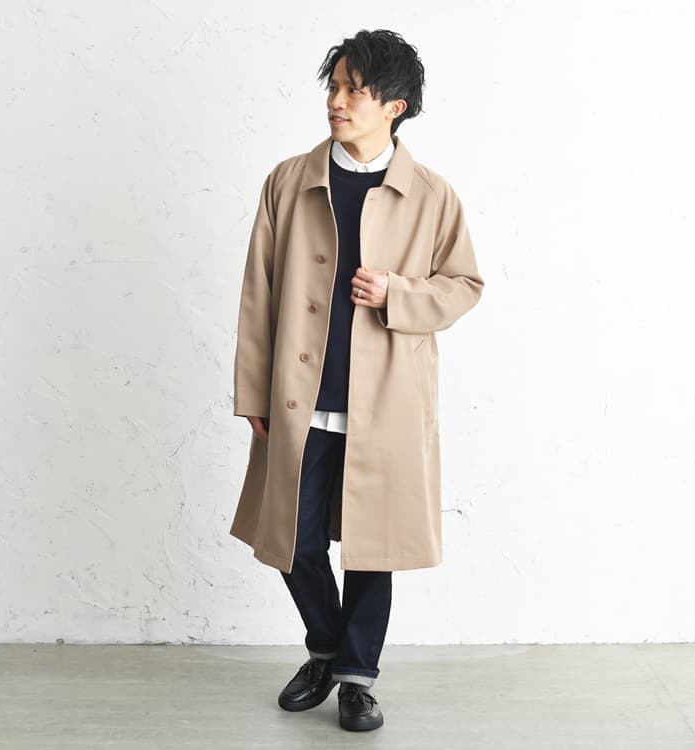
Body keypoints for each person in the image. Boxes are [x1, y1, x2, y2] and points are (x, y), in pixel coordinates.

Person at [230, 28, 484, 732]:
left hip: (387, 403)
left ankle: (355, 678)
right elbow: (258, 292)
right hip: (300, 400)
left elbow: (464, 285)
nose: (337, 101)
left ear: (395, 106)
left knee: (375, 548)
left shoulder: (432, 196)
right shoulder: (289, 181)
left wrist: (398, 293)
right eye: (334, 86)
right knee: (293, 539)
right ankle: (328, 649)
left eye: (354, 90)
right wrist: (252, 392)